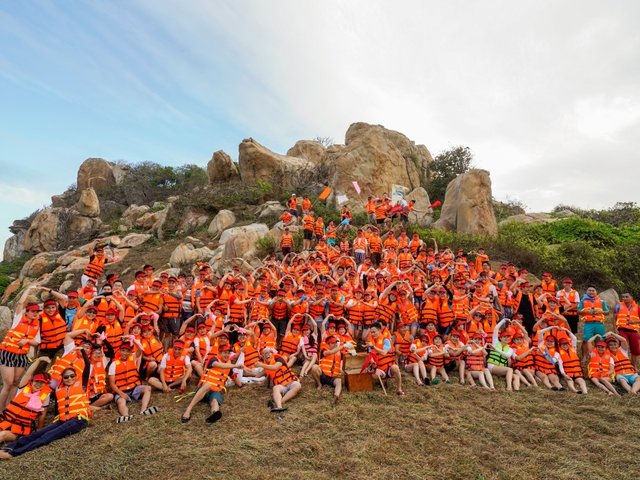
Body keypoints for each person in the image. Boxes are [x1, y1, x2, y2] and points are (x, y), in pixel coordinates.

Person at [0, 352, 91, 460]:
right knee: (36, 435)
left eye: (72, 376)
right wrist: (39, 360)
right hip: (61, 420)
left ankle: (12, 453)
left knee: (46, 437)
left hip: (77, 419)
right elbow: (29, 374)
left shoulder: (81, 386)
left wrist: (83, 352)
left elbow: (87, 366)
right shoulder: (55, 389)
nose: (69, 378)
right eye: (66, 377)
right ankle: (8, 448)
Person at [181, 345, 243, 423]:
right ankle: (188, 409)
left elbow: (234, 377)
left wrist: (241, 385)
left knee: (215, 401)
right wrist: (236, 365)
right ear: (219, 353)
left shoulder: (229, 365)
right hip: (204, 390)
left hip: (216, 390)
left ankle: (214, 413)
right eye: (224, 353)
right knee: (208, 385)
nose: (227, 355)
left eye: (228, 353)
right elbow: (219, 365)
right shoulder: (213, 359)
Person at [0, 293, 41, 411]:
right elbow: (20, 303)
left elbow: (37, 342)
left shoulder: (37, 325)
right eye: (32, 311)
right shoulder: (18, 319)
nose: (35, 313)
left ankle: (9, 409)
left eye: (36, 312)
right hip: (8, 353)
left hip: (21, 356)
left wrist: (27, 341)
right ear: (26, 312)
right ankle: (1, 410)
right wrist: (29, 290)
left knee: (15, 382)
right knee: (8, 383)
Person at [0, 357, 51, 444]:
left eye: (42, 382)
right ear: (32, 381)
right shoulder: (23, 388)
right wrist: (38, 360)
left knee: (2, 435)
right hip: (5, 421)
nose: (38, 384)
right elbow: (28, 374)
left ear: (45, 384)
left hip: (20, 430)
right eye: (37, 381)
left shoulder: (45, 396)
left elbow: (43, 414)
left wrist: (39, 429)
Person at [108, 342, 158, 423]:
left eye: (127, 351)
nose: (125, 353)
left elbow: (141, 348)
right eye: (123, 350)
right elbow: (112, 384)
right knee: (121, 402)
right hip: (121, 390)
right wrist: (121, 393)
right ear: (119, 351)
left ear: (130, 353)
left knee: (148, 388)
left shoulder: (133, 358)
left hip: (134, 388)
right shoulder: (113, 364)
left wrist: (134, 340)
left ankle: (143, 410)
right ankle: (126, 416)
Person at [255, 348, 302, 412]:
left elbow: (275, 367)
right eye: (264, 354)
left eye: (268, 353)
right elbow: (262, 376)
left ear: (272, 353)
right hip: (281, 386)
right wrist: (260, 382)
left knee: (297, 386)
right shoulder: (267, 366)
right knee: (275, 388)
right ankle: (279, 407)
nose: (266, 355)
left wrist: (261, 365)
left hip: (291, 382)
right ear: (263, 357)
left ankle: (282, 401)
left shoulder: (279, 359)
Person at [578, 286, 609, 358]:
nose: (591, 292)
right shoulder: (582, 301)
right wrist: (586, 311)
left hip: (599, 324)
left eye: (593, 290)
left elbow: (607, 312)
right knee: (586, 340)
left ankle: (599, 356)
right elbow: (578, 311)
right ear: (586, 291)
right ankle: (585, 357)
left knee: (600, 340)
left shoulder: (601, 301)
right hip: (588, 324)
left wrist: (601, 311)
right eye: (589, 290)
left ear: (596, 292)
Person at [311, 335, 343, 403]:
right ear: (328, 344)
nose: (335, 344)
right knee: (314, 367)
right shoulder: (324, 350)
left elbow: (341, 362)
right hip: (323, 375)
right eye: (333, 343)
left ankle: (336, 395)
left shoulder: (339, 352)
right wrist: (343, 346)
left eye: (336, 342)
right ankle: (319, 384)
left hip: (333, 377)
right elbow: (329, 353)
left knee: (339, 381)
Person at [615, 293, 640, 369]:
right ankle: (624, 366)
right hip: (622, 329)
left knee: (635, 350)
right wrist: (615, 328)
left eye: (626, 297)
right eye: (623, 297)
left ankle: (634, 367)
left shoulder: (637, 307)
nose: (624, 298)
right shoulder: (618, 305)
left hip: (634, 331)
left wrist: (634, 322)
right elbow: (614, 317)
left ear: (631, 297)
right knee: (623, 349)